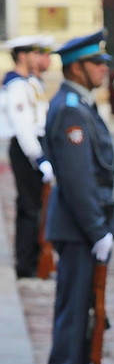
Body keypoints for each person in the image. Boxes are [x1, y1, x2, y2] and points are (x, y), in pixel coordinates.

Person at [45, 30, 114, 364]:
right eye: (97, 63)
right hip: (80, 228)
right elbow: (78, 180)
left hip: (84, 226)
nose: (103, 69)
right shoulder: (71, 109)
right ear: (77, 67)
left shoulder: (79, 103)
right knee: (75, 309)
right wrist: (97, 230)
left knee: (82, 308)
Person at [1, 35, 54, 278]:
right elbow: (23, 129)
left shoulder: (31, 82)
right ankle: (27, 264)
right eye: (34, 53)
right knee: (29, 207)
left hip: (36, 146)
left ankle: (33, 259)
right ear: (22, 56)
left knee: (36, 207)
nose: (39, 58)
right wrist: (38, 157)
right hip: (26, 150)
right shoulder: (16, 87)